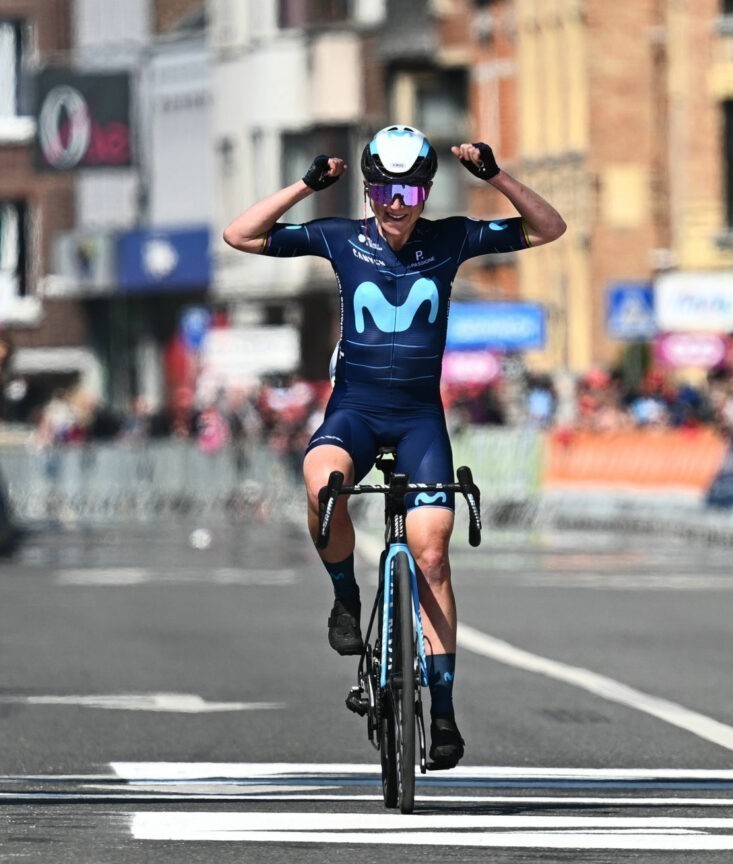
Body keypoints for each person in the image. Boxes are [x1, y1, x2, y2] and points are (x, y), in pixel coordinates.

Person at [223, 125, 565, 769]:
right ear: (368, 188)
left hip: (417, 422)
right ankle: (346, 600)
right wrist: (305, 187)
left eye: (408, 189)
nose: (395, 203)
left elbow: (549, 229)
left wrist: (496, 177)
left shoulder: (452, 236)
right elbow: (238, 235)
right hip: (354, 411)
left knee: (432, 554)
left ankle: (441, 712)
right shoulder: (341, 236)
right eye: (382, 188)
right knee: (323, 482)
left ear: (426, 190)